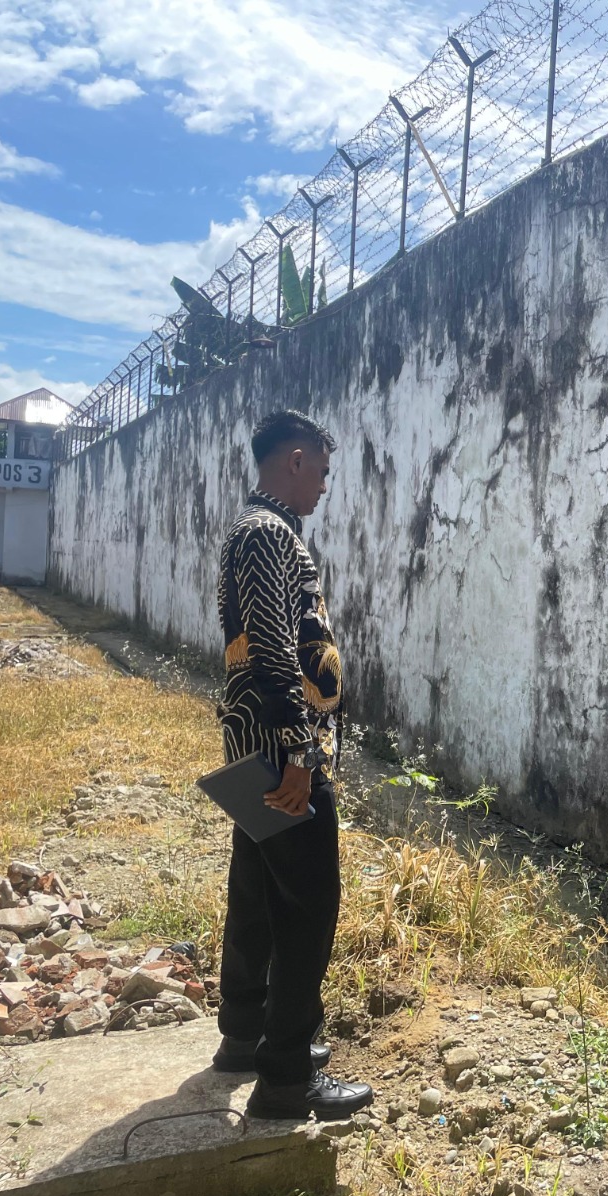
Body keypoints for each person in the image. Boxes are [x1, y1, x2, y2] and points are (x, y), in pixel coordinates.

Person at [210, 409, 373, 1120]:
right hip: (283, 751)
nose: (326, 489)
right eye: (325, 474)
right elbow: (276, 648)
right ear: (296, 460)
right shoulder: (270, 534)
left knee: (256, 889)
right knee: (308, 904)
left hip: (252, 744)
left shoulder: (252, 530)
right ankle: (285, 1076)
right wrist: (304, 751)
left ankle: (245, 1033)